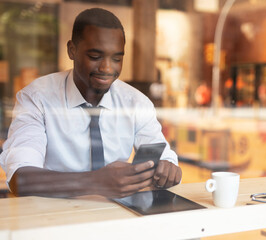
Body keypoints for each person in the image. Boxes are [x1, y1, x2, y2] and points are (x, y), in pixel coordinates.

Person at [0, 8, 182, 198]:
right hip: (53, 216)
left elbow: (162, 155)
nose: (106, 68)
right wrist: (96, 182)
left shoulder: (136, 103)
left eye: (117, 59)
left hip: (116, 216)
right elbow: (19, 179)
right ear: (72, 50)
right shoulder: (37, 98)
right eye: (95, 57)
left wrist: (168, 169)